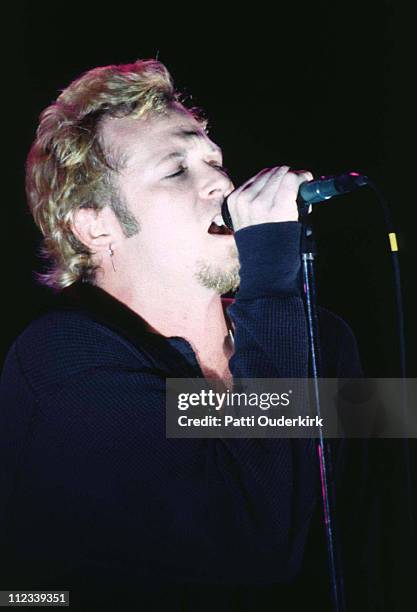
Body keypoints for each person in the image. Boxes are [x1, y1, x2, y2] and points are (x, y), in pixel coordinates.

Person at [0, 59, 375, 611]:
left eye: (214, 161)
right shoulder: (63, 359)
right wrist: (270, 286)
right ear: (95, 224)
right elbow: (253, 542)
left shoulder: (322, 338)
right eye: (176, 170)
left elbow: (378, 516)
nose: (221, 183)